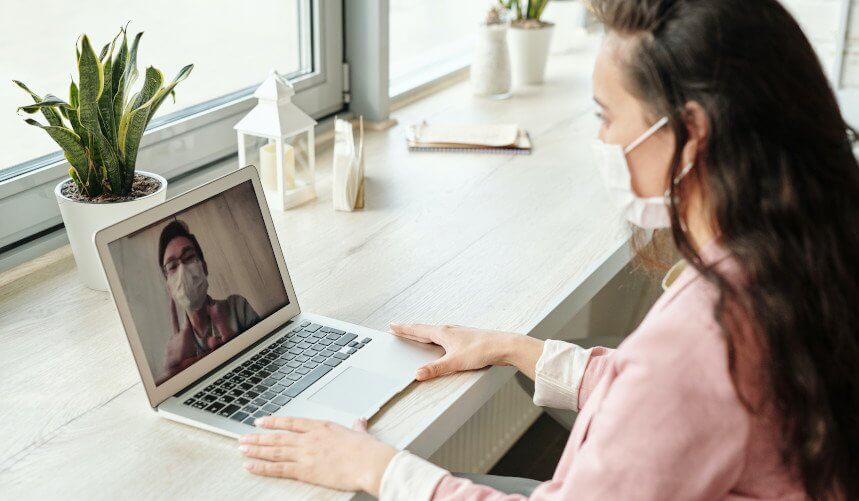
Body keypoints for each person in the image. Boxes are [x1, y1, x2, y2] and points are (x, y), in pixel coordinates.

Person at [235, 0, 859, 499]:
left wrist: (378, 470)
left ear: (690, 135)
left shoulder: (705, 335)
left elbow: (676, 384)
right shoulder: (802, 252)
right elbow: (677, 408)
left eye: (606, 116)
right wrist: (520, 350)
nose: (601, 139)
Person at [159, 220, 260, 379]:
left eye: (189, 257)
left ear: (204, 267)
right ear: (169, 287)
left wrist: (239, 351)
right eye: (172, 266)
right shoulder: (176, 350)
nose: (183, 270)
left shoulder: (237, 307)